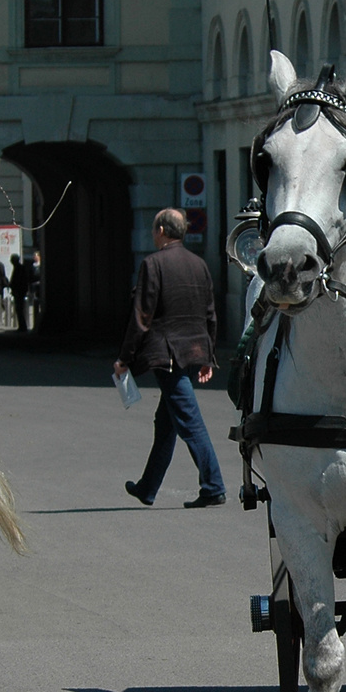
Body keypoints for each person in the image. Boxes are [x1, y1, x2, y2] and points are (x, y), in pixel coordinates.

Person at [116, 209, 225, 508]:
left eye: (154, 229)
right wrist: (208, 356)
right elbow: (210, 315)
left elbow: (142, 315)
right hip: (192, 353)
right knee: (166, 422)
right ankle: (148, 487)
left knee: (189, 422)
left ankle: (213, 485)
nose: (153, 234)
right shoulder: (199, 264)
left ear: (162, 230)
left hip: (168, 354)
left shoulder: (153, 264)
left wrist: (125, 358)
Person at [9, 253, 31, 332]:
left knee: (19, 309)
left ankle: (23, 326)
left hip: (19, 292)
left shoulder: (19, 268)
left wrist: (13, 286)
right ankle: (21, 326)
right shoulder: (19, 268)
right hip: (19, 291)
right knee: (19, 310)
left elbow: (19, 281)